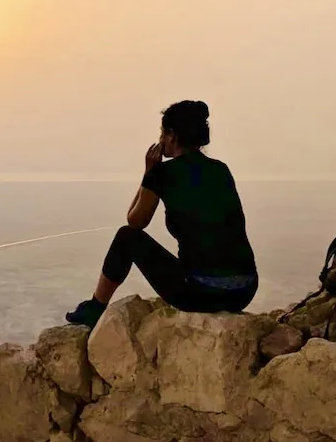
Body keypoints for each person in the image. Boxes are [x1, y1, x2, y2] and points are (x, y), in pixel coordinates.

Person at [66, 100, 257, 328]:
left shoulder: (164, 173)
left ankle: (95, 307)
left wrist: (149, 173)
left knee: (126, 237)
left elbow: (135, 221)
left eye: (162, 132)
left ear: (171, 135)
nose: (160, 139)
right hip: (244, 291)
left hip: (200, 293)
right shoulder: (220, 169)